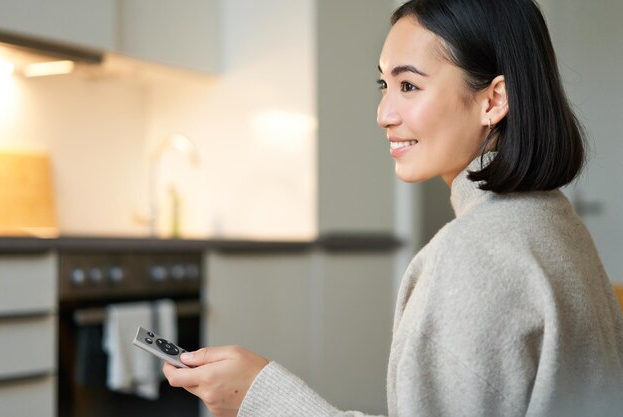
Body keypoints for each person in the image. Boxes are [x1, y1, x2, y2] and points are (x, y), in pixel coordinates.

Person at [163, 0, 623, 416]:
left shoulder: (473, 257)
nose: (384, 112)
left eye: (408, 85)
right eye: (384, 84)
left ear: (493, 99)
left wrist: (260, 397)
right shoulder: (556, 224)